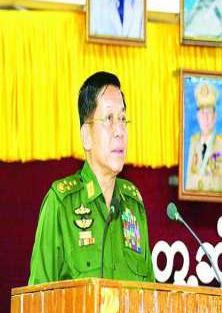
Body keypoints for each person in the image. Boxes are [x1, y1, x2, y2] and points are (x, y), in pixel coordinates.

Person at [28, 72, 155, 284]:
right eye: (109, 119)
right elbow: (38, 298)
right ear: (86, 136)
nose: (120, 131)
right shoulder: (61, 204)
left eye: (122, 119)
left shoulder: (133, 206)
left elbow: (150, 296)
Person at [185, 82, 222, 193]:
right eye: (202, 113)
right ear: (198, 116)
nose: (206, 118)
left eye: (209, 113)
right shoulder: (193, 142)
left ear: (215, 116)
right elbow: (188, 183)